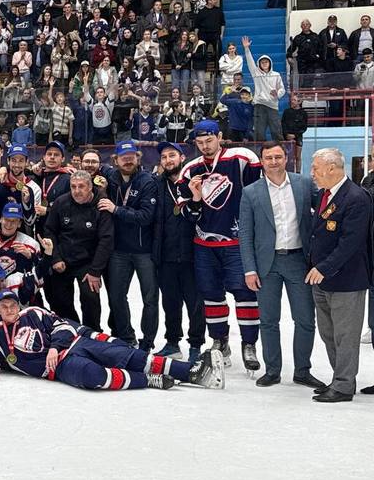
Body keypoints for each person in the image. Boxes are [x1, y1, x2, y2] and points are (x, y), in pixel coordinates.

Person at [0, 291, 225, 391]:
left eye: (12, 305)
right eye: (4, 307)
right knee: (92, 377)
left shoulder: (33, 313)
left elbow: (63, 325)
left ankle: (191, 372)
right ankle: (148, 380)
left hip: (74, 345)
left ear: (18, 305)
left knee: (127, 355)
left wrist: (54, 347)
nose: (9, 310)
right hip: (58, 368)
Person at [239, 142, 324, 389]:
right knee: (268, 321)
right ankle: (272, 370)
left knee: (305, 319)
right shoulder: (251, 192)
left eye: (278, 157)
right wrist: (249, 269)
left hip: (299, 261)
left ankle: (302, 371)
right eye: (269, 158)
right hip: (267, 264)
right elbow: (245, 234)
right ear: (262, 161)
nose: (274, 162)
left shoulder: (304, 184)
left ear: (286, 158)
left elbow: (325, 209)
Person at [179, 120, 262, 372]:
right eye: (200, 142)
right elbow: (187, 215)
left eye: (209, 140)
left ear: (220, 136)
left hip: (237, 242)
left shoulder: (242, 158)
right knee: (211, 294)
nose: (205, 146)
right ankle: (219, 341)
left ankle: (249, 344)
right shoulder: (190, 169)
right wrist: (195, 199)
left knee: (245, 293)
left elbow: (258, 194)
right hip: (204, 244)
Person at [307, 149, 373, 402]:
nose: (312, 173)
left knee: (345, 336)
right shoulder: (325, 194)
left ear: (332, 168)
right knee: (329, 333)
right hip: (321, 279)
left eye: (315, 168)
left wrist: (323, 267)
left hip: (346, 279)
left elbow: (351, 242)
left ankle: (344, 386)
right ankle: (340, 379)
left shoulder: (356, 197)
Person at [101, 140, 158, 350]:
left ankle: (148, 342)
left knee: (150, 298)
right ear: (115, 160)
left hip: (144, 251)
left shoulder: (147, 181)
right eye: (123, 158)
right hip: (119, 250)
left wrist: (116, 210)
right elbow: (92, 169)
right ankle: (126, 337)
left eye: (131, 157)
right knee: (116, 296)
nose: (128, 161)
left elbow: (145, 216)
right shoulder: (111, 177)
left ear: (138, 158)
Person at [152, 142, 205, 362]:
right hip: (166, 255)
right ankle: (172, 342)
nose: (168, 160)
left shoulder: (195, 181)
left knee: (195, 303)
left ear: (182, 158)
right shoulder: (156, 184)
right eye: (164, 157)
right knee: (170, 303)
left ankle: (196, 345)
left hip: (193, 255)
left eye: (172, 155)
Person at [44, 171, 113, 330]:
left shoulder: (101, 205)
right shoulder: (61, 202)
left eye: (81, 186)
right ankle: (71, 330)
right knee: (59, 299)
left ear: (90, 187)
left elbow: (106, 240)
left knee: (90, 297)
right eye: (73, 187)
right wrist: (55, 258)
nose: (77, 191)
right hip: (63, 259)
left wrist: (95, 271)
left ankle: (92, 332)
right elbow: (49, 231)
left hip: (88, 262)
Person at [242, 36, 284, 140]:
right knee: (259, 132)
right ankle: (260, 150)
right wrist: (246, 49)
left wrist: (277, 94)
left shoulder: (276, 74)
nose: (264, 64)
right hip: (259, 105)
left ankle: (279, 149)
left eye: (266, 62)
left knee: (276, 131)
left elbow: (282, 89)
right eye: (262, 62)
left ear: (270, 63)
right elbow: (250, 62)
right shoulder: (256, 73)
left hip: (273, 106)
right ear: (259, 64)